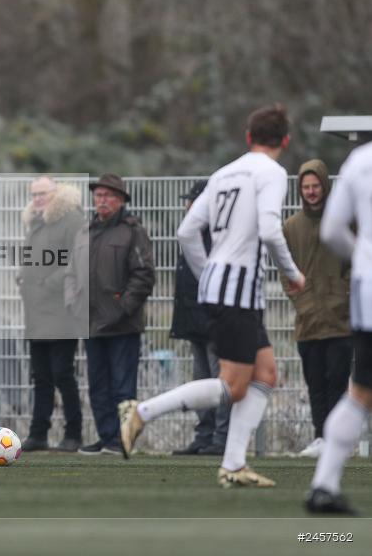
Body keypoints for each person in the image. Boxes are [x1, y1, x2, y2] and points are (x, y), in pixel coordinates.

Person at [119, 105, 306, 488]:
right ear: (285, 141)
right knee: (234, 384)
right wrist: (293, 274)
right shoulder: (271, 172)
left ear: (248, 136)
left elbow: (187, 231)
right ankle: (144, 411)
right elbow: (270, 230)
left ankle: (234, 464)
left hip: (223, 287)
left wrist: (210, 273)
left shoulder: (223, 173)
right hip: (237, 290)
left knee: (266, 374)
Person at [305, 142, 372, 515]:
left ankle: (324, 485)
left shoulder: (360, 160)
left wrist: (364, 258)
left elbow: (331, 230)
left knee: (362, 389)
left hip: (367, 286)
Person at [66, 173, 154, 456]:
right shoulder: (85, 230)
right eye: (99, 195)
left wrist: (121, 308)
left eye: (109, 196)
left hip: (123, 325)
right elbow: (71, 272)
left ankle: (122, 440)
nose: (102, 200)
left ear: (121, 200)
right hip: (91, 324)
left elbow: (143, 275)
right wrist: (72, 302)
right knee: (97, 385)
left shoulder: (133, 230)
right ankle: (106, 437)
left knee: (122, 387)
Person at [282, 160, 352, 458]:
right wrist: (305, 303)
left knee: (338, 382)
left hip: (340, 321)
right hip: (308, 321)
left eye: (316, 186)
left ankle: (339, 441)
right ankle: (321, 437)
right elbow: (287, 273)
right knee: (315, 384)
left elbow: (355, 261)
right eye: (306, 187)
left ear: (325, 185)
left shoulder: (345, 222)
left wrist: (343, 296)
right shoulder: (290, 227)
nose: (311, 192)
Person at [19, 177, 85, 452]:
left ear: (55, 192)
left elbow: (75, 260)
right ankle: (38, 433)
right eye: (34, 194)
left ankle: (74, 433)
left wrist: (48, 284)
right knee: (41, 376)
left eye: (42, 193)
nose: (38, 198)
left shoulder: (72, 220)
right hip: (37, 313)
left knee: (62, 374)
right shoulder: (37, 222)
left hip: (61, 312)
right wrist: (22, 278)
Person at [170, 181, 230, 456]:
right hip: (195, 319)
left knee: (219, 381)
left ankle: (221, 437)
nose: (187, 206)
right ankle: (205, 435)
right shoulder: (197, 233)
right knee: (201, 380)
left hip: (213, 319)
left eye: (191, 201)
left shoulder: (217, 235)